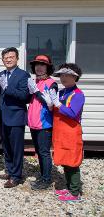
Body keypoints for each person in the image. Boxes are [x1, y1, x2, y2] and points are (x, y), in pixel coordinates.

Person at [0, 47, 30, 188]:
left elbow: (25, 96)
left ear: (17, 58)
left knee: (16, 147)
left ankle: (16, 176)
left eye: (11, 57)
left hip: (16, 116)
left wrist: (8, 88)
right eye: (5, 58)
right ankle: (9, 170)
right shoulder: (2, 74)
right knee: (6, 146)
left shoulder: (23, 75)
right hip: (3, 116)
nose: (8, 60)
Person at [49, 63, 85, 202]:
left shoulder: (78, 95)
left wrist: (58, 104)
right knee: (64, 160)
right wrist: (51, 104)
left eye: (66, 75)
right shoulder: (62, 92)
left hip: (71, 133)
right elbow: (56, 111)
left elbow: (72, 112)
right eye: (62, 75)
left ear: (74, 77)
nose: (63, 78)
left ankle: (75, 193)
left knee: (72, 162)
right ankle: (69, 188)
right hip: (60, 133)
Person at [27, 54, 58, 190]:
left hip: (44, 123)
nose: (39, 67)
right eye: (37, 65)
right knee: (39, 151)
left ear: (48, 67)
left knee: (44, 152)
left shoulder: (52, 83)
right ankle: (42, 175)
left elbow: (51, 103)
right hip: (34, 123)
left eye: (42, 64)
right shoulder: (36, 81)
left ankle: (46, 180)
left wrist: (36, 92)